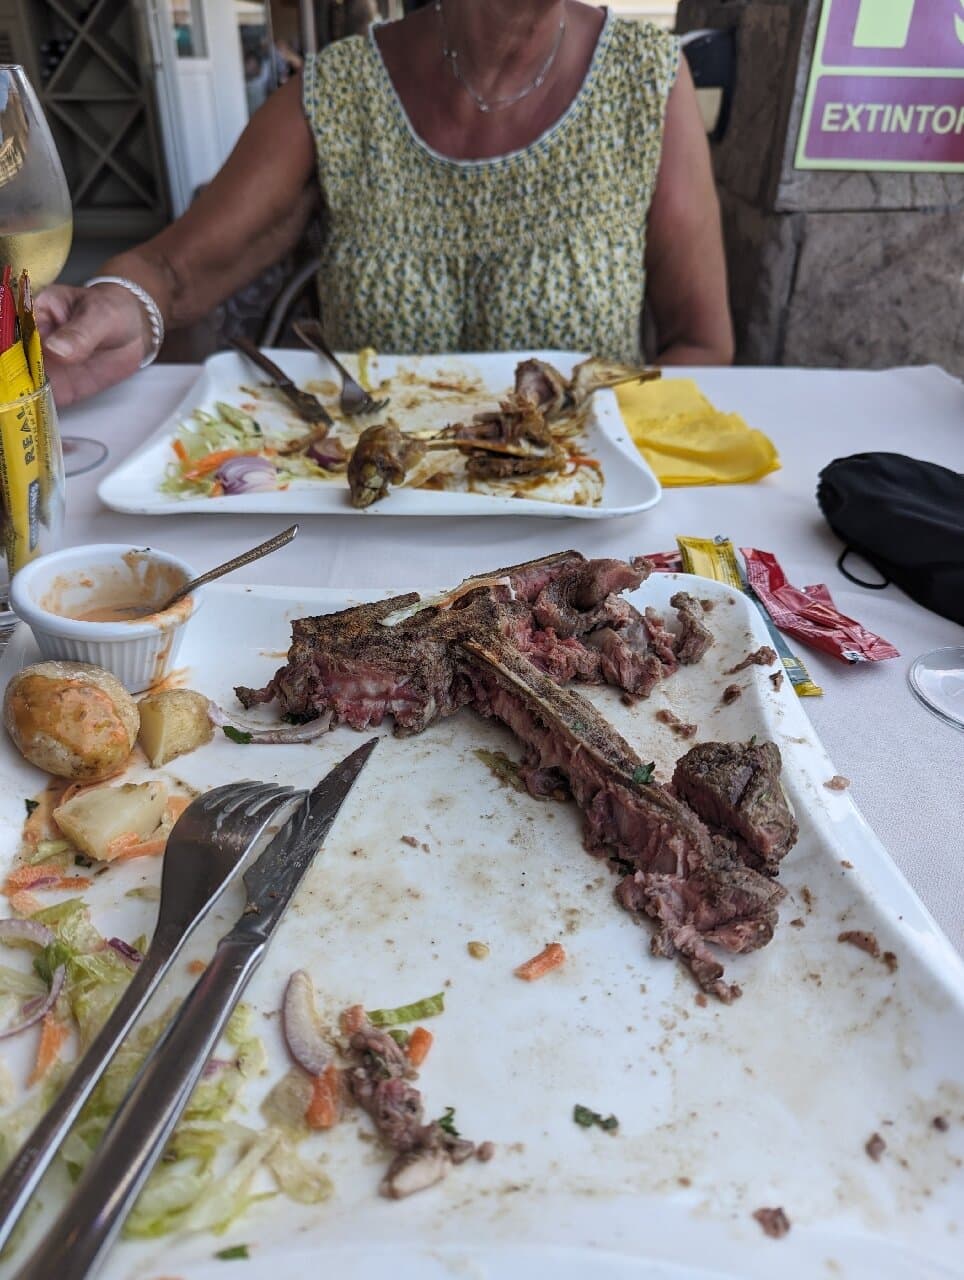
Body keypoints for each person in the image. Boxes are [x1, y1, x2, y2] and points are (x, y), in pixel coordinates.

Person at [38, 1, 734, 408]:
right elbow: (174, 271)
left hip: (581, 520)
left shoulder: (647, 75)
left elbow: (701, 345)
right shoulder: (342, 88)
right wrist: (120, 303)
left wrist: (610, 457)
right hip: (369, 511)